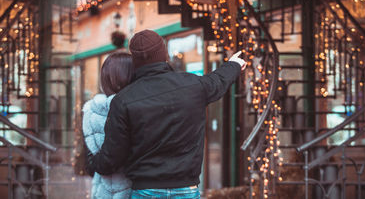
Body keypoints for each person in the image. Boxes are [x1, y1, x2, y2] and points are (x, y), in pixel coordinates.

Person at [87, 29, 246, 198]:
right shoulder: (194, 85)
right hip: (187, 188)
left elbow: (112, 156)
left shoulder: (123, 100)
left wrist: (93, 163)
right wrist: (234, 64)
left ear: (135, 60)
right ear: (164, 54)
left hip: (145, 190)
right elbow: (219, 80)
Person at [82, 52, 135, 199]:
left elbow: (89, 165)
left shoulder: (91, 111)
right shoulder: (135, 108)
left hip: (103, 191)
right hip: (137, 190)